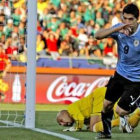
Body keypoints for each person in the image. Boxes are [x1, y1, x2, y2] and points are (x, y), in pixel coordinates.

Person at [94, 3, 140, 139]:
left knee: (120, 111)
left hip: (136, 80)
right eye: (124, 18)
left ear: (137, 19)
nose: (127, 22)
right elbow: (97, 35)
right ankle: (106, 133)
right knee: (107, 105)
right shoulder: (119, 30)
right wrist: (118, 29)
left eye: (130, 19)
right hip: (120, 75)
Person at [56, 87, 140, 132]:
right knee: (126, 126)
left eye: (61, 121)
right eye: (60, 124)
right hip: (104, 94)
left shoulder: (70, 109)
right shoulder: (76, 114)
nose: (63, 124)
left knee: (94, 127)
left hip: (98, 97)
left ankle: (118, 121)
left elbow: (80, 118)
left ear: (65, 113)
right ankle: (138, 113)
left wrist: (77, 128)